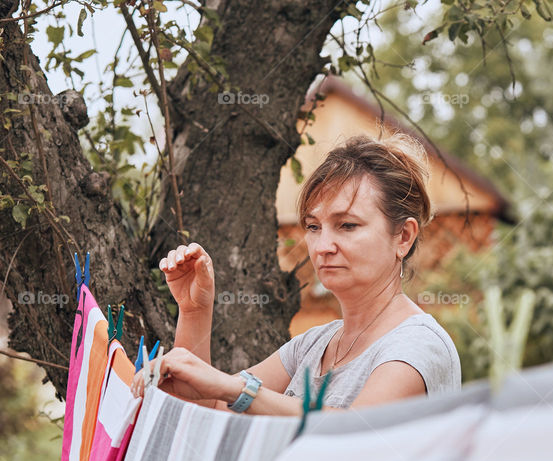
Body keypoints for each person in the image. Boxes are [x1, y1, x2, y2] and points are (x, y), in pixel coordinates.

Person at [131, 133, 462, 414]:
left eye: (347, 225)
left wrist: (238, 389)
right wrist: (195, 310)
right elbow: (210, 411)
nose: (323, 246)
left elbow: (355, 431)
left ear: (403, 236)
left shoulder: (419, 345)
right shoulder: (313, 345)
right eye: (314, 226)